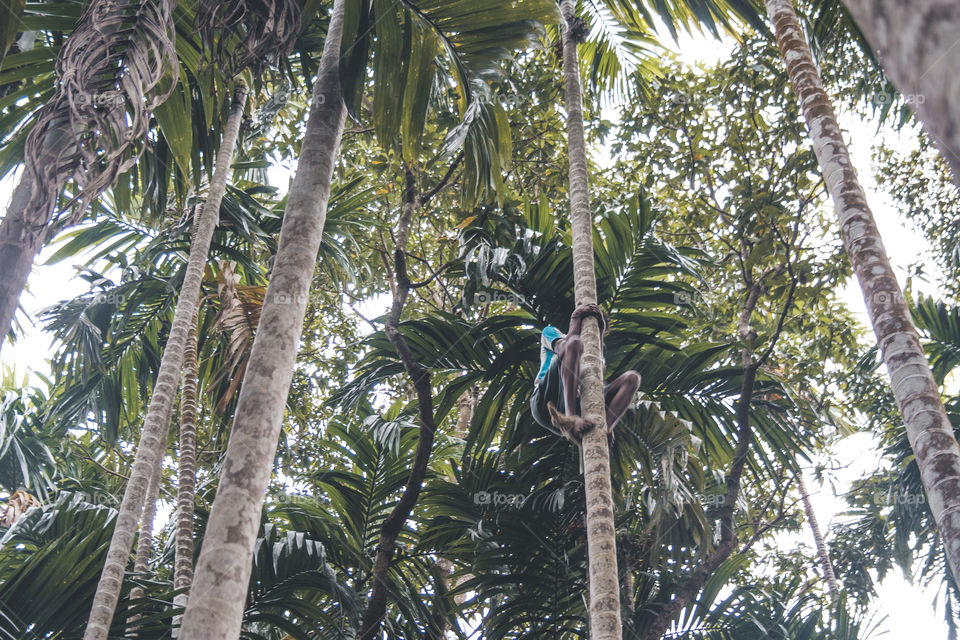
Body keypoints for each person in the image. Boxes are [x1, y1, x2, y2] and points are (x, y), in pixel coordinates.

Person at [530, 303, 641, 445]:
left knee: (632, 378)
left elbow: (598, 376)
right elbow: (567, 346)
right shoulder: (551, 332)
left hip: (578, 404)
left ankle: (605, 428)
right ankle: (570, 419)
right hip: (545, 401)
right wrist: (575, 318)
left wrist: (600, 331)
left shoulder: (595, 357)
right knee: (575, 343)